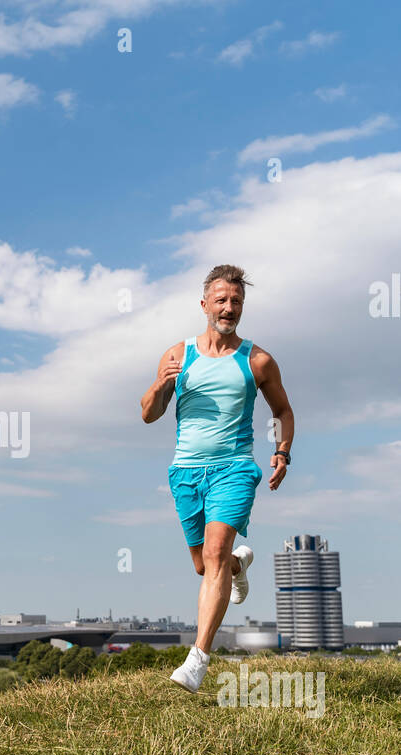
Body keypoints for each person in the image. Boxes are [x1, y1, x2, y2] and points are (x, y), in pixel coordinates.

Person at [139, 264, 294, 693]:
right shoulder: (177, 355)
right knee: (204, 565)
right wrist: (158, 384)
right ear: (204, 304)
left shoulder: (257, 360)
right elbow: (149, 415)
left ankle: (198, 659)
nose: (229, 308)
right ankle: (239, 564)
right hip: (185, 472)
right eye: (222, 300)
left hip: (234, 467)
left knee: (214, 550)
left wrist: (282, 451)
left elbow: (283, 412)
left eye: (237, 301)